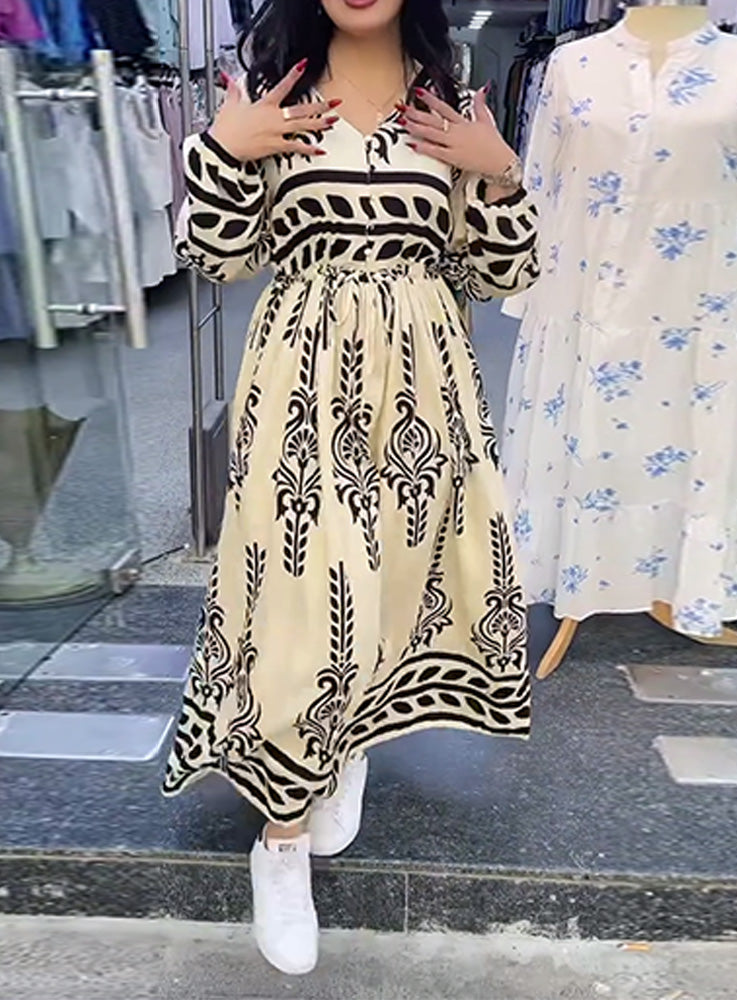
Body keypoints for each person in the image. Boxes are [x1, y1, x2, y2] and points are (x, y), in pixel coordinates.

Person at [162, 0, 539, 976]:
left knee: (393, 583)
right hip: (302, 386)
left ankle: (347, 736)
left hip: (423, 392)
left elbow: (501, 273)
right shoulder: (273, 90)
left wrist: (499, 171)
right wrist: (224, 149)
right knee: (299, 599)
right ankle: (279, 840)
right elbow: (215, 255)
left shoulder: (446, 92)